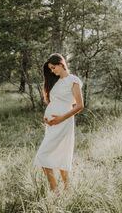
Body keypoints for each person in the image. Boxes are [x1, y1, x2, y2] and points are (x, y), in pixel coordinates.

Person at [34, 53, 84, 192]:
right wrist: (47, 118)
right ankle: (67, 190)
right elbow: (54, 102)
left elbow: (80, 105)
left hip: (63, 122)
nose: (52, 71)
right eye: (50, 69)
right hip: (52, 125)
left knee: (42, 155)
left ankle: (54, 191)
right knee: (60, 154)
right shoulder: (57, 82)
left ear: (61, 64)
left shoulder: (73, 80)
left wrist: (61, 118)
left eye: (53, 67)